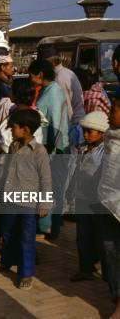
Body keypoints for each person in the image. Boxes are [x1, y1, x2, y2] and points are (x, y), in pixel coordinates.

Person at [0, 108, 52, 290]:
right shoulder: (14, 147)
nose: (11, 131)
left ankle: (26, 273)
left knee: (26, 238)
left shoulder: (40, 152)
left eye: (13, 127)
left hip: (28, 204)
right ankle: (6, 262)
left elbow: (46, 179)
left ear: (26, 130)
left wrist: (45, 203)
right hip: (9, 199)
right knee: (7, 233)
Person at [28, 58, 70, 240]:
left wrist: (51, 148)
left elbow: (57, 123)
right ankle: (47, 224)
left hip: (53, 149)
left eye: (32, 74)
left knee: (51, 188)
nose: (30, 78)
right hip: (46, 147)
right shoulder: (46, 90)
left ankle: (51, 227)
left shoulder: (53, 92)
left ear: (40, 74)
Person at [64, 111, 107, 282]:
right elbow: (72, 173)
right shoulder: (80, 149)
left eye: (91, 131)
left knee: (100, 235)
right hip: (81, 198)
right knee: (83, 236)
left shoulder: (105, 152)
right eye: (85, 131)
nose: (87, 135)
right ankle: (85, 268)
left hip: (97, 200)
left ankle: (100, 264)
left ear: (102, 133)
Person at [97, 94, 120, 318]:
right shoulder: (110, 138)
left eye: (114, 109)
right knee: (109, 250)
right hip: (108, 203)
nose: (109, 113)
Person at [39, 47, 85, 146]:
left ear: (49, 62)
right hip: (76, 123)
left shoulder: (59, 78)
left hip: (71, 125)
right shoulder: (67, 72)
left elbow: (66, 107)